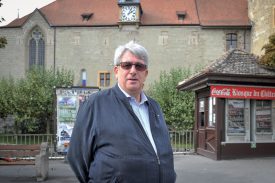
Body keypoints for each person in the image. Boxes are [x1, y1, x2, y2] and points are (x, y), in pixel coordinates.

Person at [67, 41, 176, 183]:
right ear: (117, 71)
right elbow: (77, 156)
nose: (133, 71)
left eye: (139, 66)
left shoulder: (154, 107)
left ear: (145, 73)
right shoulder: (95, 104)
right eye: (126, 65)